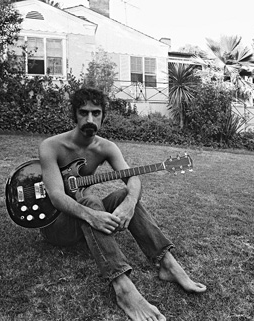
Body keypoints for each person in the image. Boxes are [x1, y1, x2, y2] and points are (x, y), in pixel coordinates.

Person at [38, 87, 206, 321]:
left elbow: (132, 178)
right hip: (57, 225)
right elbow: (56, 196)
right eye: (83, 112)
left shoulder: (105, 147)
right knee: (91, 201)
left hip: (86, 221)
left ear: (103, 115)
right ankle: (123, 287)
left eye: (96, 113)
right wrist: (90, 214)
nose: (90, 119)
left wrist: (129, 201)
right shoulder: (51, 146)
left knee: (124, 194)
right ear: (74, 115)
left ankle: (167, 263)